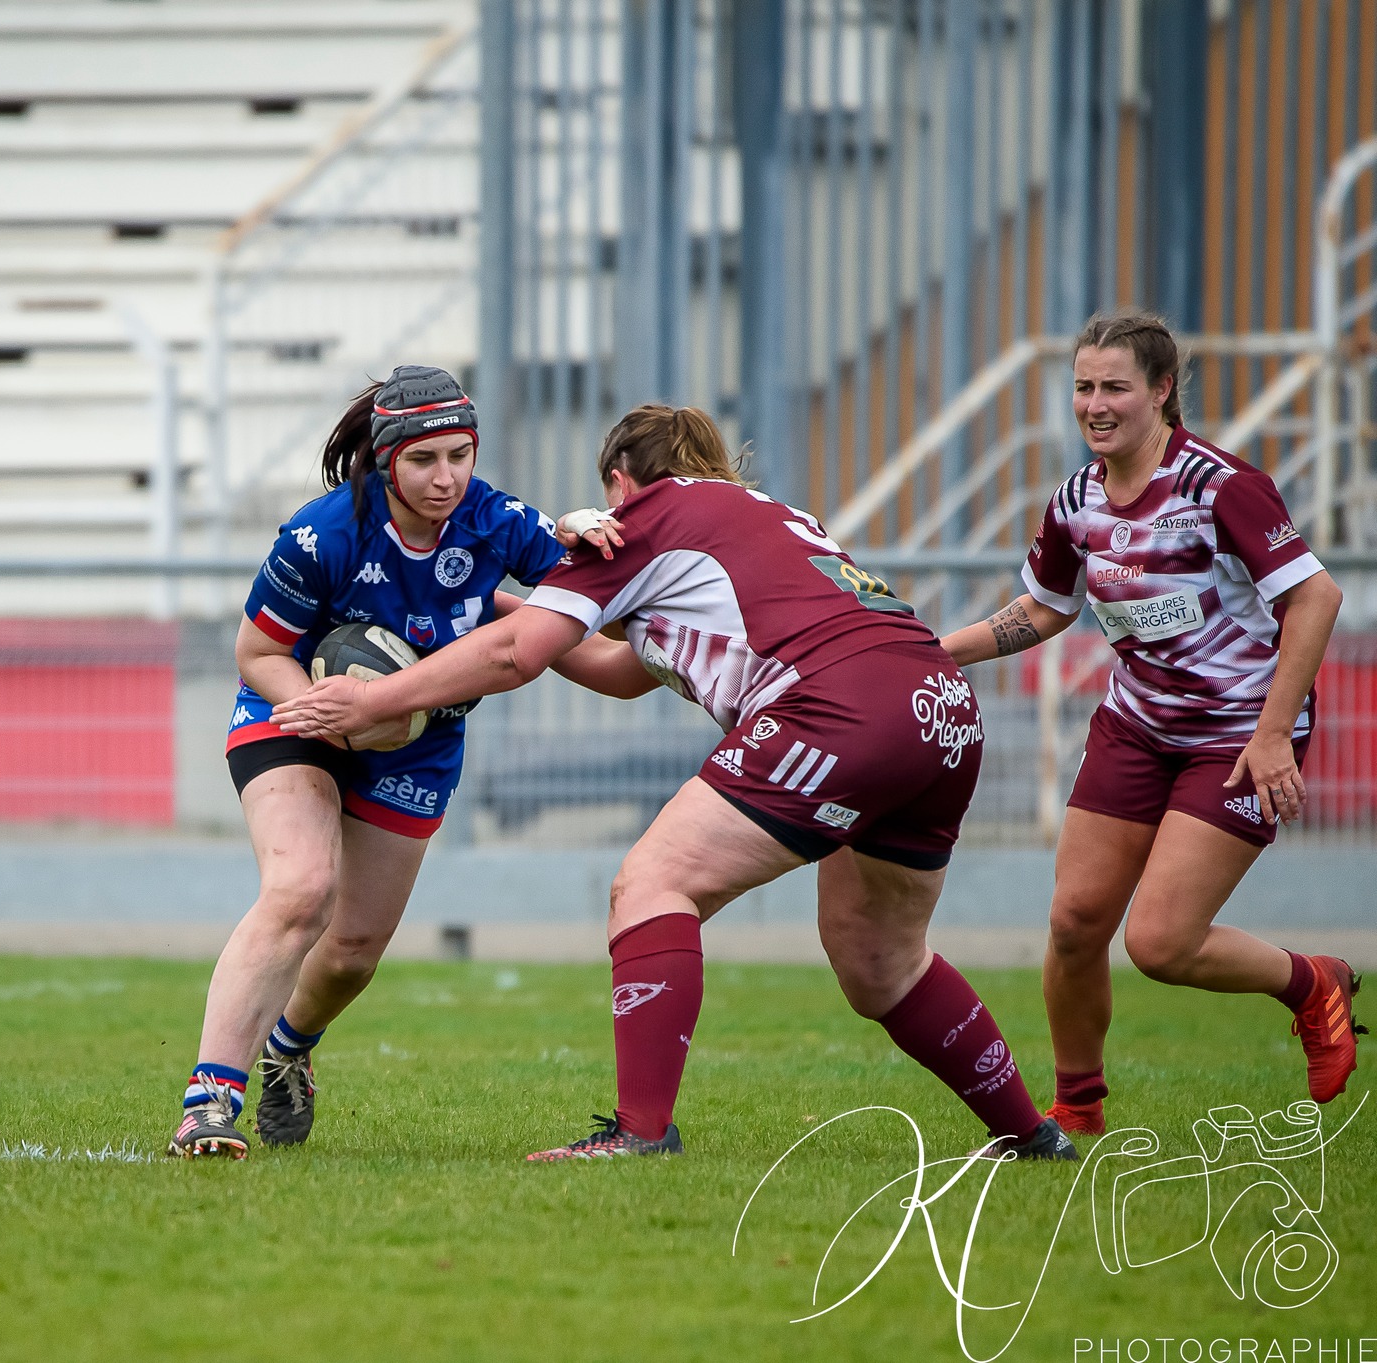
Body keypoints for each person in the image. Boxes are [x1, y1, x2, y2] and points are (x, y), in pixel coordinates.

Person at [274, 403, 1076, 1161]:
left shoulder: (649, 517)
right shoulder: (763, 515)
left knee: (653, 883)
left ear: (621, 483)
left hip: (835, 709)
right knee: (883, 961)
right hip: (940, 710)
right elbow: (625, 669)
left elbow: (516, 656)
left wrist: (373, 697)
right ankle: (1031, 1134)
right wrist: (494, 603)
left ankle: (640, 1132)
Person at [169, 365, 625, 1159]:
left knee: (350, 953)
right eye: (423, 460)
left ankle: (287, 1050)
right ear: (386, 461)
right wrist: (324, 716)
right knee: (299, 886)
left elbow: (590, 610)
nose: (446, 477)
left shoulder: (500, 520)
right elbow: (257, 652)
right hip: (296, 718)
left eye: (460, 455)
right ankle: (207, 1106)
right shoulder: (321, 534)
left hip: (420, 739)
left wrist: (585, 536)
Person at [938, 311, 1356, 1136]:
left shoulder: (1220, 486)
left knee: (1160, 943)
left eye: (1114, 387)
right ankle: (1078, 1109)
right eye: (1083, 386)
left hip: (1237, 734)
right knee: (1073, 923)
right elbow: (1043, 608)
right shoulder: (1076, 500)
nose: (1095, 404)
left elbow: (1317, 597)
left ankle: (1312, 983)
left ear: (1162, 392)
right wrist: (934, 651)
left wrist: (1273, 735)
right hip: (1135, 727)